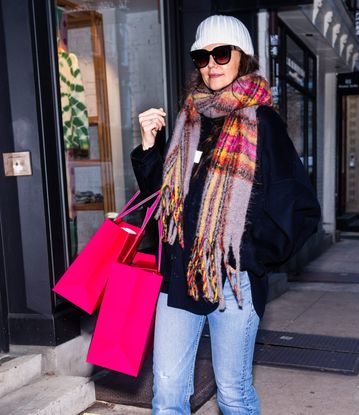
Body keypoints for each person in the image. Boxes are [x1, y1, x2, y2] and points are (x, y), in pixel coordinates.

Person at [131, 15, 321, 414]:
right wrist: (149, 148)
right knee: (166, 393)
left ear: (243, 58)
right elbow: (161, 201)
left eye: (221, 53)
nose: (211, 64)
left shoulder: (262, 123)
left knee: (233, 393)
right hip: (180, 273)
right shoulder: (188, 121)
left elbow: (300, 209)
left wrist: (251, 257)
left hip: (236, 283)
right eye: (202, 56)